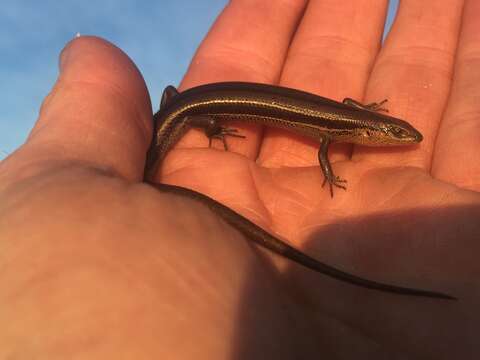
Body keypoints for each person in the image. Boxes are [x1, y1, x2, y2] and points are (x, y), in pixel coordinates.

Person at [1, 1, 478, 358]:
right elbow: (326, 149)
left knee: (176, 102)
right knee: (181, 111)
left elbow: (350, 110)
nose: (401, 137)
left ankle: (190, 128)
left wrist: (366, 111)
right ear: (372, 134)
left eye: (395, 132)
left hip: (191, 104)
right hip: (195, 111)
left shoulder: (346, 119)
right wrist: (327, 173)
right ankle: (195, 130)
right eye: (394, 133)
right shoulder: (336, 131)